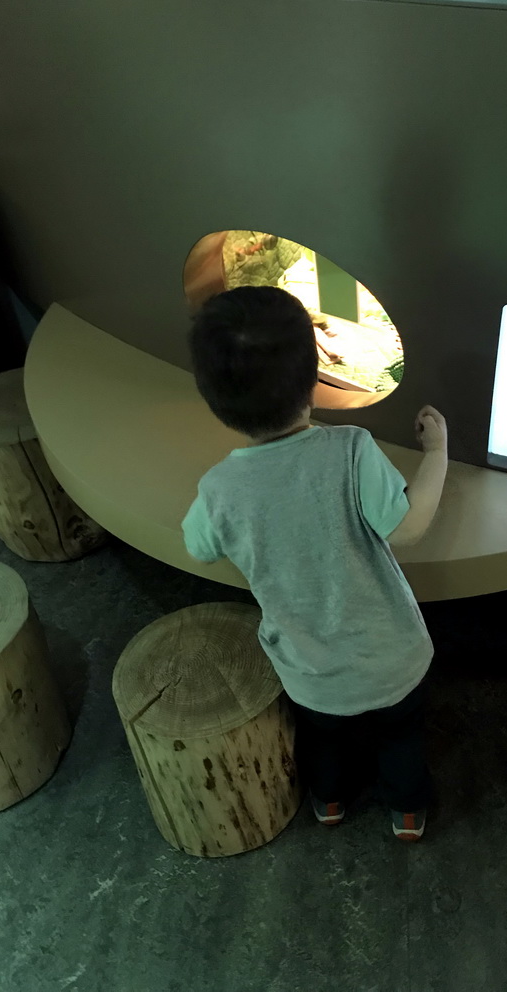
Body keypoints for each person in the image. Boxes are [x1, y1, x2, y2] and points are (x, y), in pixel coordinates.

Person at [181, 285, 448, 841]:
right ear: (316, 381)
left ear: (214, 400)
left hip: (310, 678)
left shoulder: (219, 490)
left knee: (326, 741)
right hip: (394, 663)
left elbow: (198, 546)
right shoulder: (350, 449)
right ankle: (406, 812)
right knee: (400, 741)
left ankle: (328, 802)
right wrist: (438, 454)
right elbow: (412, 526)